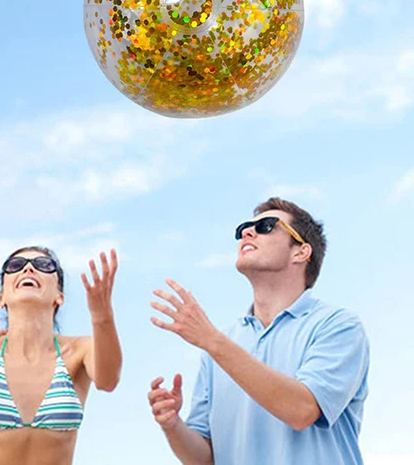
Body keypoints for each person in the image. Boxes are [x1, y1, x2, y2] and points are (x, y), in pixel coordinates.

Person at [148, 198, 370, 465]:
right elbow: (204, 458)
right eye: (244, 227)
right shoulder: (222, 343)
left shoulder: (338, 326)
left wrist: (211, 341)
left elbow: (301, 410)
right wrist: (173, 425)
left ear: (300, 252)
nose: (246, 232)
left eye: (266, 226)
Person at [0, 246, 122, 465]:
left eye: (43, 265)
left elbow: (108, 381)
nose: (28, 268)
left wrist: (102, 315)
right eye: (15, 266)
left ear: (59, 296)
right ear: (2, 297)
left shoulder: (80, 350)